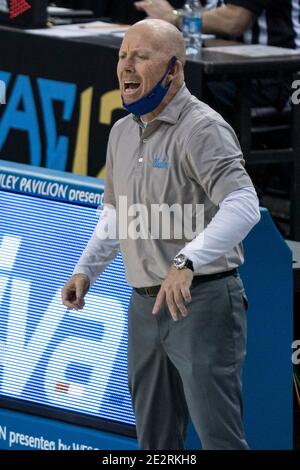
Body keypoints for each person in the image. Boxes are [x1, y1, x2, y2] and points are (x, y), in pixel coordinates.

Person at [61, 19, 260, 450]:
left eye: (140, 56)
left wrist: (188, 261)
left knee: (219, 440)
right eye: (122, 55)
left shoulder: (202, 128)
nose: (126, 67)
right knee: (155, 443)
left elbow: (244, 205)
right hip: (144, 305)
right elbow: (116, 213)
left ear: (174, 69)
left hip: (202, 303)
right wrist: (85, 270)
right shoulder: (121, 132)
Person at [135, 0, 300, 114]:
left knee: (187, 89)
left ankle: (209, 161)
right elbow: (208, 13)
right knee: (158, 79)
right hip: (232, 70)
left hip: (277, 76)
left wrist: (173, 16)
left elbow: (234, 21)